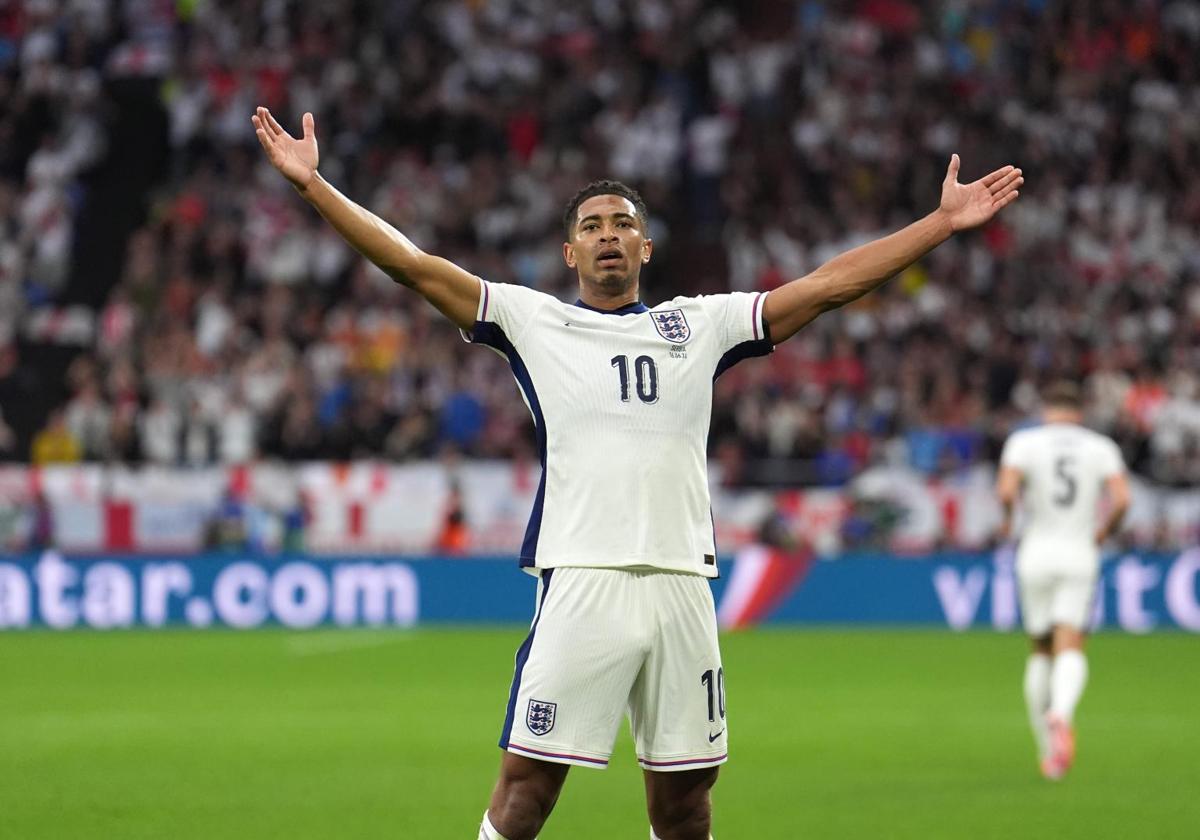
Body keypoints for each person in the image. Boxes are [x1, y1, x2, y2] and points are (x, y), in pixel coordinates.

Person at [251, 106, 1022, 840]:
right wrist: (315, 186)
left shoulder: (702, 324)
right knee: (527, 789)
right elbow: (413, 266)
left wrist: (942, 224)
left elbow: (828, 286)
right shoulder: (533, 321)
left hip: (683, 582)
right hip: (583, 575)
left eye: (624, 224)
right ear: (570, 254)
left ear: (646, 249)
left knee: (686, 805)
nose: (608, 235)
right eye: (591, 227)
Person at [995, 381, 1130, 781]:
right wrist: (1107, 530)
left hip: (1035, 552)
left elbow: (1006, 490)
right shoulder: (1099, 446)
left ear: (1046, 410)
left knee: (1039, 649)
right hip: (1079, 553)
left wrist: (1007, 519)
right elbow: (1122, 499)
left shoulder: (1024, 442)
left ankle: (1047, 750)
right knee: (1071, 641)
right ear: (1079, 412)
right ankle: (1062, 713)